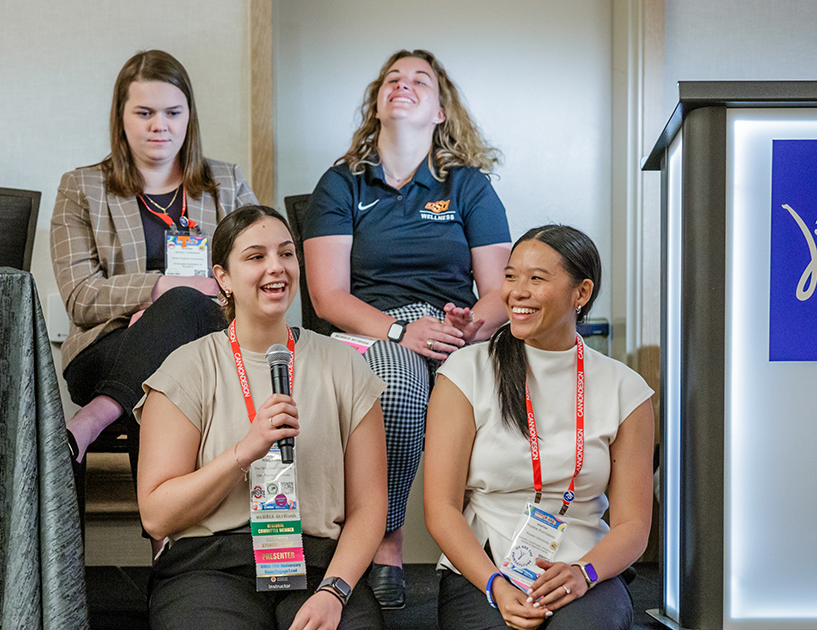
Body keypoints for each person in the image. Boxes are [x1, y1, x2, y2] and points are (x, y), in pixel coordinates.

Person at [301, 48, 512, 607]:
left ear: (440, 111)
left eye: (420, 80)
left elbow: (501, 293)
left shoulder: (468, 186)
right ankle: (384, 536)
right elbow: (327, 296)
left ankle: (501, 549)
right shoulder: (342, 184)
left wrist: (469, 327)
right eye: (392, 78)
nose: (403, 83)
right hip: (372, 329)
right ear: (377, 104)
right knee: (394, 386)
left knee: (516, 386)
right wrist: (400, 332)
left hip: (454, 329)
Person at [136, 205, 388, 630]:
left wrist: (334, 591)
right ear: (223, 277)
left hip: (319, 566)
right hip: (211, 566)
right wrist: (244, 452)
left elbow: (369, 507)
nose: (276, 267)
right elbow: (157, 516)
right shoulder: (187, 368)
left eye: (286, 254)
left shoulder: (344, 366)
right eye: (256, 257)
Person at [422, 225, 654, 630]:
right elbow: (441, 508)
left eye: (536, 279)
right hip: (485, 570)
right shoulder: (466, 372)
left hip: (585, 569)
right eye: (511, 276)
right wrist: (495, 585)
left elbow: (633, 525)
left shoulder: (625, 388)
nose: (517, 292)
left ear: (581, 293)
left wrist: (583, 574)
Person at [52, 50, 257, 470]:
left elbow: (263, 272)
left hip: (213, 338)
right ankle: (173, 516)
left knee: (179, 325)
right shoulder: (82, 188)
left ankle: (94, 418)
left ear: (189, 117)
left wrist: (168, 311)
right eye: (144, 112)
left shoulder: (228, 183)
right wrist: (160, 290)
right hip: (108, 345)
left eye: (172, 113)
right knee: (174, 337)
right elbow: (79, 297)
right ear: (121, 116)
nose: (159, 125)